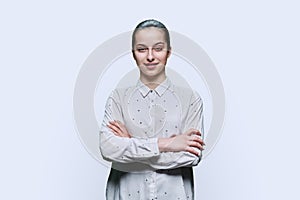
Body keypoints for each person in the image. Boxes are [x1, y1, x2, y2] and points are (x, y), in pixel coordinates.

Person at [99, 19, 205, 200]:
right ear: (134, 54)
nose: (150, 56)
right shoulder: (117, 98)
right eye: (142, 49)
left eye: (158, 48)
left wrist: (131, 144)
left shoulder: (191, 99)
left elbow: (191, 156)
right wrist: (166, 144)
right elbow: (108, 148)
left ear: (168, 52)